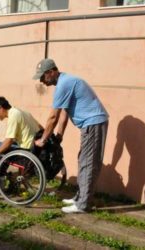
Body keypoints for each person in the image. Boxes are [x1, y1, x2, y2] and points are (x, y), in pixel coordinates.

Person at [33, 58, 109, 213]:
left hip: (92, 123)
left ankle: (83, 205)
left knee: (87, 163)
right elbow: (63, 115)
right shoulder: (66, 81)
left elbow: (53, 117)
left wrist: (43, 139)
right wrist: (59, 136)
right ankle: (80, 198)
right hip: (91, 123)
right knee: (83, 160)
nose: (42, 81)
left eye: (43, 77)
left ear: (51, 72)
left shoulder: (64, 84)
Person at [0, 97, 42, 187]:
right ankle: (0, 177)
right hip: (34, 148)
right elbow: (40, 127)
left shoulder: (13, 115)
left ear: (0, 108)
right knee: (2, 148)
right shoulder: (23, 112)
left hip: (25, 152)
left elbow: (9, 140)